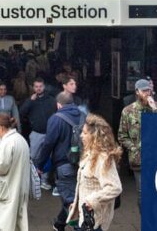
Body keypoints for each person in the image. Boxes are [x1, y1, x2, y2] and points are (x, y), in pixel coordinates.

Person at [67, 114, 122, 231]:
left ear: (94, 136)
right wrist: (77, 204)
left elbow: (115, 187)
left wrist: (91, 201)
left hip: (96, 222)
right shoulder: (89, 154)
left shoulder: (103, 158)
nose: (81, 136)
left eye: (85, 133)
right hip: (85, 217)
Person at [37, 92, 84, 231]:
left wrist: (40, 164)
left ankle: (78, 228)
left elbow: (48, 144)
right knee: (78, 199)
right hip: (84, 164)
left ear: (58, 104)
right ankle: (59, 224)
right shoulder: (84, 116)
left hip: (64, 165)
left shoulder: (56, 119)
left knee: (70, 202)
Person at [118, 78, 157, 211]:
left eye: (149, 90)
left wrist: (154, 109)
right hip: (139, 160)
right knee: (143, 195)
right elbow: (122, 136)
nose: (147, 93)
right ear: (137, 92)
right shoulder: (128, 111)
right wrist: (134, 148)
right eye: (144, 91)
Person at [0, 113, 30, 231]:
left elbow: (1, 167)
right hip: (19, 188)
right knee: (18, 223)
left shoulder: (7, 142)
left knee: (4, 224)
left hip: (7, 190)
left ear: (0, 127)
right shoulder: (21, 139)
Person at [20, 78, 56, 190]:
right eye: (36, 86)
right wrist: (30, 101)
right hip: (35, 133)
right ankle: (34, 179)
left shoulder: (51, 100)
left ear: (44, 87)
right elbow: (22, 112)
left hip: (49, 133)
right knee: (34, 157)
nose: (38, 88)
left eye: (40, 86)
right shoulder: (31, 100)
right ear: (33, 87)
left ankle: (44, 181)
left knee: (47, 158)